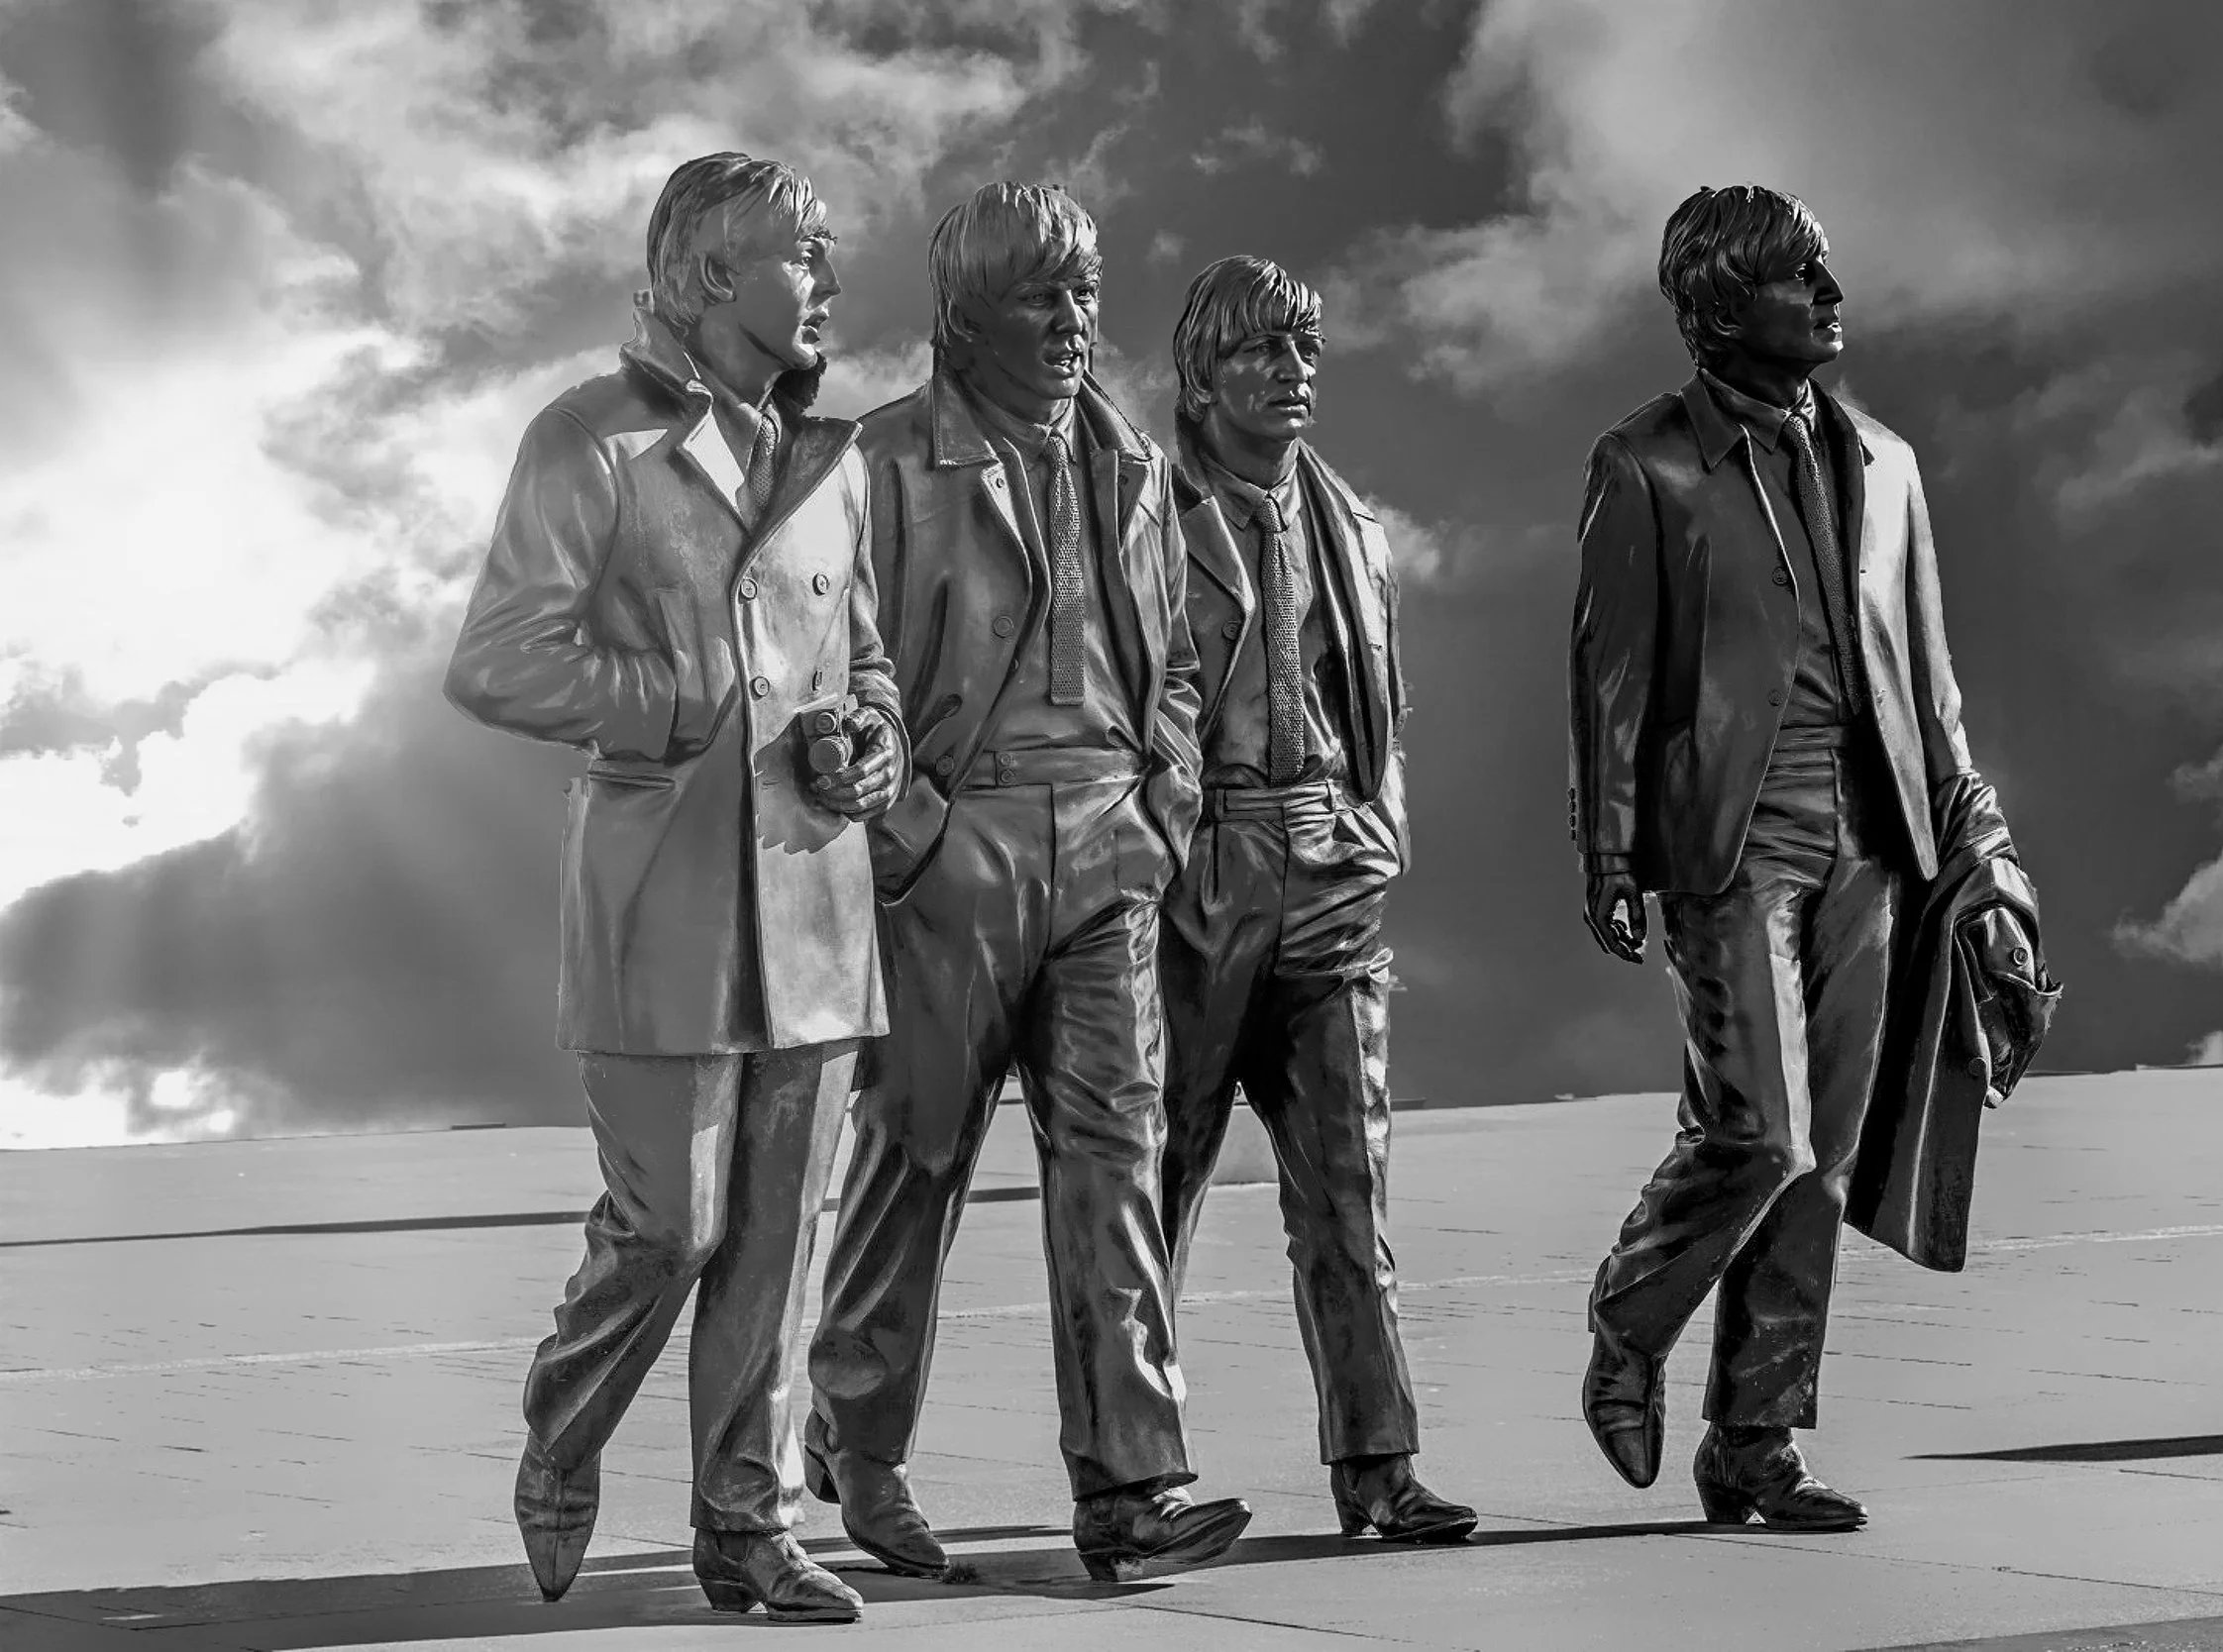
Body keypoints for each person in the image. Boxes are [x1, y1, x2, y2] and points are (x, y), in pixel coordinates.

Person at [444, 152, 905, 1621]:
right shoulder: (588, 441)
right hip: (666, 904)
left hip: (818, 909)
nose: (829, 281)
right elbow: (500, 659)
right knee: (671, 1226)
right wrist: (673, 697)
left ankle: (747, 1529)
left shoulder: (836, 466)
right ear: (712, 276)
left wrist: (876, 744)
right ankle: (562, 1434)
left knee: (782, 1240)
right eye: (805, 254)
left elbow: (868, 663)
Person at [801, 181, 1252, 1586]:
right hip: (957, 851)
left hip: (1107, 845)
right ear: (969, 315)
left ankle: (1130, 1487)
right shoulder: (876, 464)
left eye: (1087, 293)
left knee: (1115, 1166)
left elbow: (1178, 660)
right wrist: (914, 837)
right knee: (915, 1159)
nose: (1077, 322)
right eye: (1045, 297)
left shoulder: (1129, 462)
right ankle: (858, 1443)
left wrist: (1162, 800)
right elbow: (825, 674)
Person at [1566, 183, 2031, 1530]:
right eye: (1798, 279)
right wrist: (1608, 845)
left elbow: (1931, 684)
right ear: (1720, 307)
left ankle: (1756, 1443)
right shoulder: (1643, 465)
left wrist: (1974, 850)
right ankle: (1628, 1318)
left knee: (1824, 1155)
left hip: (1872, 833)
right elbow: (1608, 676)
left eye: (1826, 274)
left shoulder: (1887, 462)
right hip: (1732, 832)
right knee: (1756, 1130)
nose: (1830, 298)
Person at [1153, 255, 1475, 1545]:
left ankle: (1379, 1467)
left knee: (1349, 1200)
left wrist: (1369, 827)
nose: (1290, 376)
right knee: (1146, 1200)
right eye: (1260, 353)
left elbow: (1381, 708)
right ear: (1202, 372)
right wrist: (1197, 825)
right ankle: (1130, 1477)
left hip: (1331, 895)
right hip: (1196, 895)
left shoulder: (1352, 523)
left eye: (1304, 352)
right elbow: (1128, 704)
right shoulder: (1148, 513)